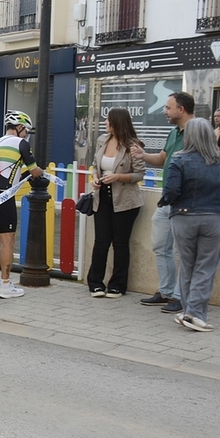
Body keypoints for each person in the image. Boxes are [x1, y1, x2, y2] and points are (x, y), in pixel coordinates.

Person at [160, 118, 220, 332]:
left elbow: (170, 190)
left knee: (188, 266)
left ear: (189, 136)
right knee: (205, 267)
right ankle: (194, 314)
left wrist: (173, 202)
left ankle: (189, 311)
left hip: (183, 217)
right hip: (214, 219)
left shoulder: (179, 160)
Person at [131, 91, 194, 313]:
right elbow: (163, 158)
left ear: (181, 109)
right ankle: (166, 291)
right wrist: (142, 155)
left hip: (186, 200)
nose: (164, 111)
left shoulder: (196, 132)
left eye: (168, 107)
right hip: (167, 199)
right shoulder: (174, 132)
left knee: (182, 251)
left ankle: (179, 296)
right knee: (160, 245)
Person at [0, 110, 43, 299]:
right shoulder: (21, 143)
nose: (27, 135)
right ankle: (6, 285)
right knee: (7, 240)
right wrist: (38, 170)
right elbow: (35, 170)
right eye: (27, 131)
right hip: (4, 197)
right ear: (20, 128)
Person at [87, 108, 146, 298]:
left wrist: (118, 176)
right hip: (102, 196)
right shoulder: (102, 140)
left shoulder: (132, 145)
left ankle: (118, 285)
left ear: (117, 122)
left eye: (108, 120)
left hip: (125, 200)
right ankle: (95, 283)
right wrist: (96, 178)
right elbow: (95, 166)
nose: (105, 122)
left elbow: (140, 174)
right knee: (101, 241)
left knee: (120, 243)